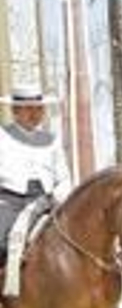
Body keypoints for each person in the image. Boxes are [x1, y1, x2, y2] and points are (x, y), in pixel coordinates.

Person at [0, 84, 71, 287]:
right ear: (15, 111)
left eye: (39, 108)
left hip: (46, 199)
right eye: (30, 108)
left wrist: (58, 195)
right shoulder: (2, 136)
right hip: (9, 201)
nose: (36, 113)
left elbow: (64, 177)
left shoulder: (51, 140)